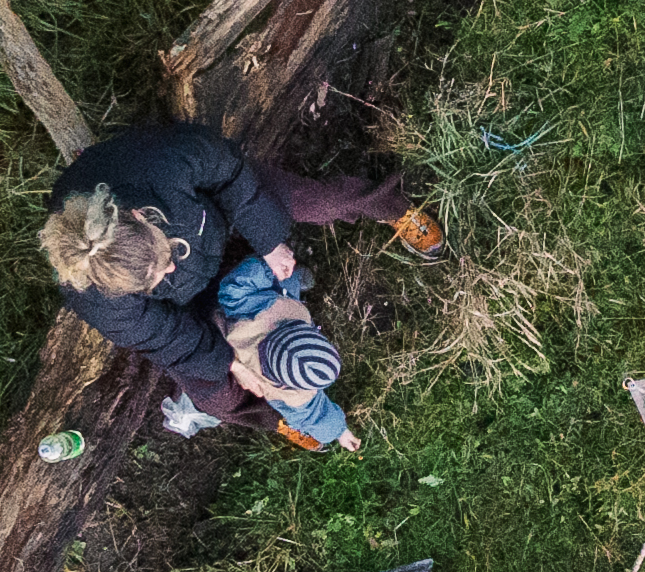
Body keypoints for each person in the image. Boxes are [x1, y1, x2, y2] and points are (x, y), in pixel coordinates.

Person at [38, 119, 439, 447]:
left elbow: (227, 170)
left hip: (225, 219)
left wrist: (266, 240)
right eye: (154, 282)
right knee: (214, 395)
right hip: (189, 304)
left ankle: (390, 205)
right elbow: (165, 337)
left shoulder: (161, 165)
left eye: (164, 261)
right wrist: (229, 362)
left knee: (318, 202)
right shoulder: (99, 299)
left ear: (142, 215)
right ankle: (282, 419)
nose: (169, 273)